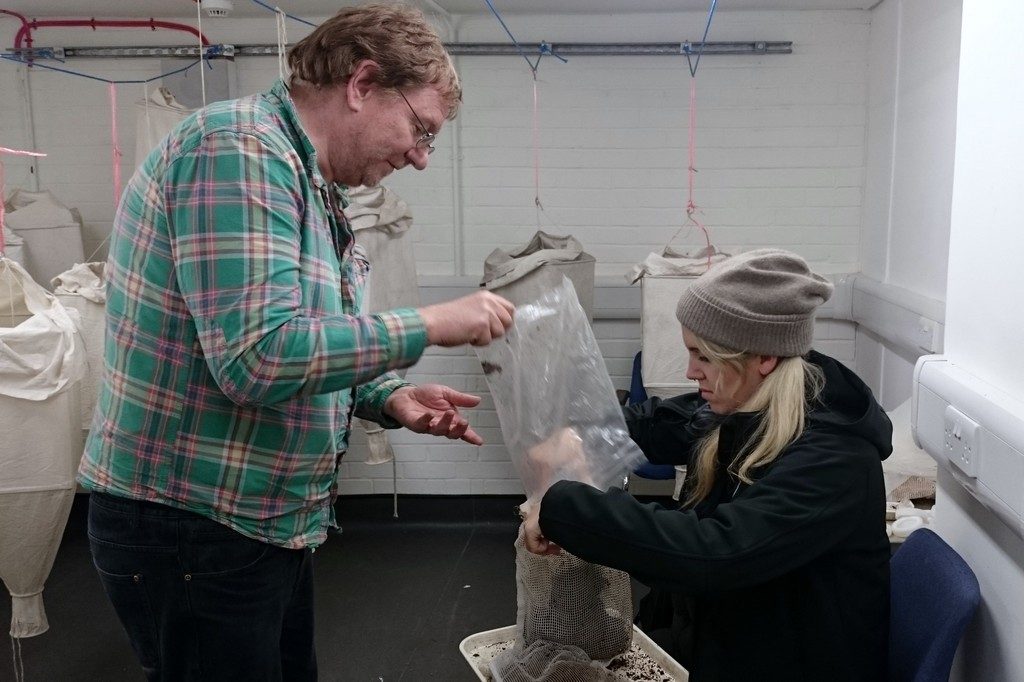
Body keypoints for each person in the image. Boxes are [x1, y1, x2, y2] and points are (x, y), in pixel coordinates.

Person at [77, 4, 514, 680]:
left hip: (257, 521)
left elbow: (311, 332)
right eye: (420, 129)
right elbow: (256, 357)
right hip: (193, 523)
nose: (421, 158)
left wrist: (387, 396)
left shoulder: (308, 183)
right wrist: (429, 323)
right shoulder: (236, 151)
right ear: (363, 84)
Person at [523, 248, 892, 681]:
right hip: (729, 643)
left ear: (762, 358)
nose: (690, 371)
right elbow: (662, 423)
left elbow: (714, 553)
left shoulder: (834, 460)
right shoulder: (748, 405)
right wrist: (581, 435)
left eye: (704, 356)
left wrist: (561, 506)